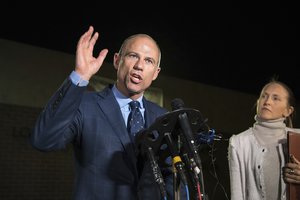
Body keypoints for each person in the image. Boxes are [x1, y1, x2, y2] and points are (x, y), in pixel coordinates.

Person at [30, 26, 186, 200]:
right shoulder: (85, 104)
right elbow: (43, 140)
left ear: (155, 73)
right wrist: (80, 75)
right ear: (117, 60)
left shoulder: (163, 117)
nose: (139, 66)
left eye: (149, 61)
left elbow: (172, 177)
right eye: (133, 56)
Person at [228, 79, 300, 200]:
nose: (267, 102)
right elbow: (237, 195)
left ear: (288, 111)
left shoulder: (298, 138)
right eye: (264, 96)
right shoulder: (239, 142)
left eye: (275, 98)